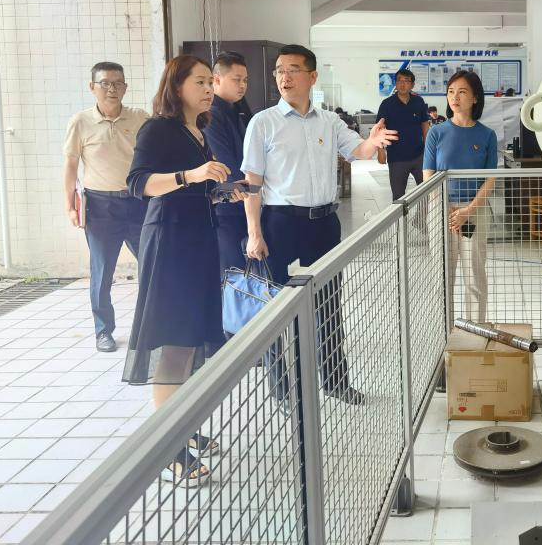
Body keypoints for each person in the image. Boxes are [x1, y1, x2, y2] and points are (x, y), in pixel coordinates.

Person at [242, 44, 397, 406]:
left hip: (324, 223)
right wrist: (254, 233)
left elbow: (357, 151)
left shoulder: (329, 121)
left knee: (328, 303)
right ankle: (282, 388)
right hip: (281, 222)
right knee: (277, 308)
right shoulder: (263, 123)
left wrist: (372, 142)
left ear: (312, 77)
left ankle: (335, 380)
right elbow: (252, 184)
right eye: (280, 70)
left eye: (293, 70)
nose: (284, 77)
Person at [124, 55, 249, 485]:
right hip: (171, 245)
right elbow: (138, 183)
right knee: (175, 343)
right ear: (175, 86)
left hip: (198, 242)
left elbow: (197, 190)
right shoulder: (157, 128)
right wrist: (190, 175)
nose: (209, 89)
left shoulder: (198, 129)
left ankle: (182, 426)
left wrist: (223, 192)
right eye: (199, 82)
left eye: (210, 82)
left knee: (192, 342)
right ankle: (168, 448)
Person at [63, 62, 149, 353]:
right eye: (105, 83)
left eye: (118, 83)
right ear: (92, 87)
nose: (112, 89)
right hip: (100, 207)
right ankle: (103, 331)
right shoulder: (80, 122)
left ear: (125, 87)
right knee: (102, 272)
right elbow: (71, 165)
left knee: (153, 265)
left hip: (138, 203)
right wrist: (70, 206)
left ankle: (150, 327)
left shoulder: (140, 118)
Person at [423, 71, 497, 322]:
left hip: (474, 210)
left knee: (474, 275)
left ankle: (474, 330)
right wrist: (447, 210)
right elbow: (428, 175)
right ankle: (445, 333)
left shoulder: (487, 135)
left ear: (475, 98)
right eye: (451, 92)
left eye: (462, 92)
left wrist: (468, 210)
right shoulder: (436, 133)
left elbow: (490, 179)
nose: (455, 97)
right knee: (443, 276)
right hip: (441, 209)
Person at [203, 51, 253, 276]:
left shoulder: (237, 109)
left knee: (247, 273)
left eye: (245, 80)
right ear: (217, 79)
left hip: (244, 200)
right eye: (236, 79)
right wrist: (254, 188)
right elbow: (226, 164)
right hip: (226, 205)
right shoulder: (211, 114)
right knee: (232, 274)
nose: (242, 85)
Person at [376, 68, 431, 200]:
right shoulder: (387, 104)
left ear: (412, 85)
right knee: (398, 197)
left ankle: (422, 215)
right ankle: (401, 215)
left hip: (419, 156)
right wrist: (380, 151)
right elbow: (379, 129)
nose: (402, 84)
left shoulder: (418, 102)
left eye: (406, 81)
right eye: (399, 80)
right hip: (397, 158)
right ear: (395, 83)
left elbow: (424, 125)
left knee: (426, 192)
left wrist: (429, 149)